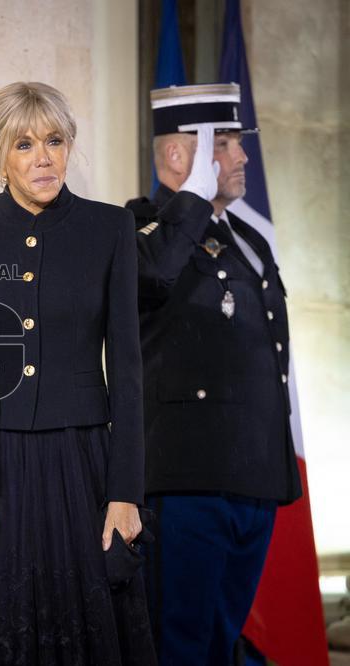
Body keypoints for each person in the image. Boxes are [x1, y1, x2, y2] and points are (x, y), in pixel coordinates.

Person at [0, 81, 156, 665]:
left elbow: (127, 372)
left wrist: (125, 493)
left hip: (81, 461)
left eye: (54, 141)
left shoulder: (109, 228)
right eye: (24, 144)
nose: (43, 158)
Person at [127, 83, 301, 665]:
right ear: (181, 155)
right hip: (187, 479)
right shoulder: (141, 227)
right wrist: (193, 199)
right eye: (224, 144)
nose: (242, 156)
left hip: (252, 475)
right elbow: (153, 275)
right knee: (179, 642)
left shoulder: (247, 238)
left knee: (223, 641)